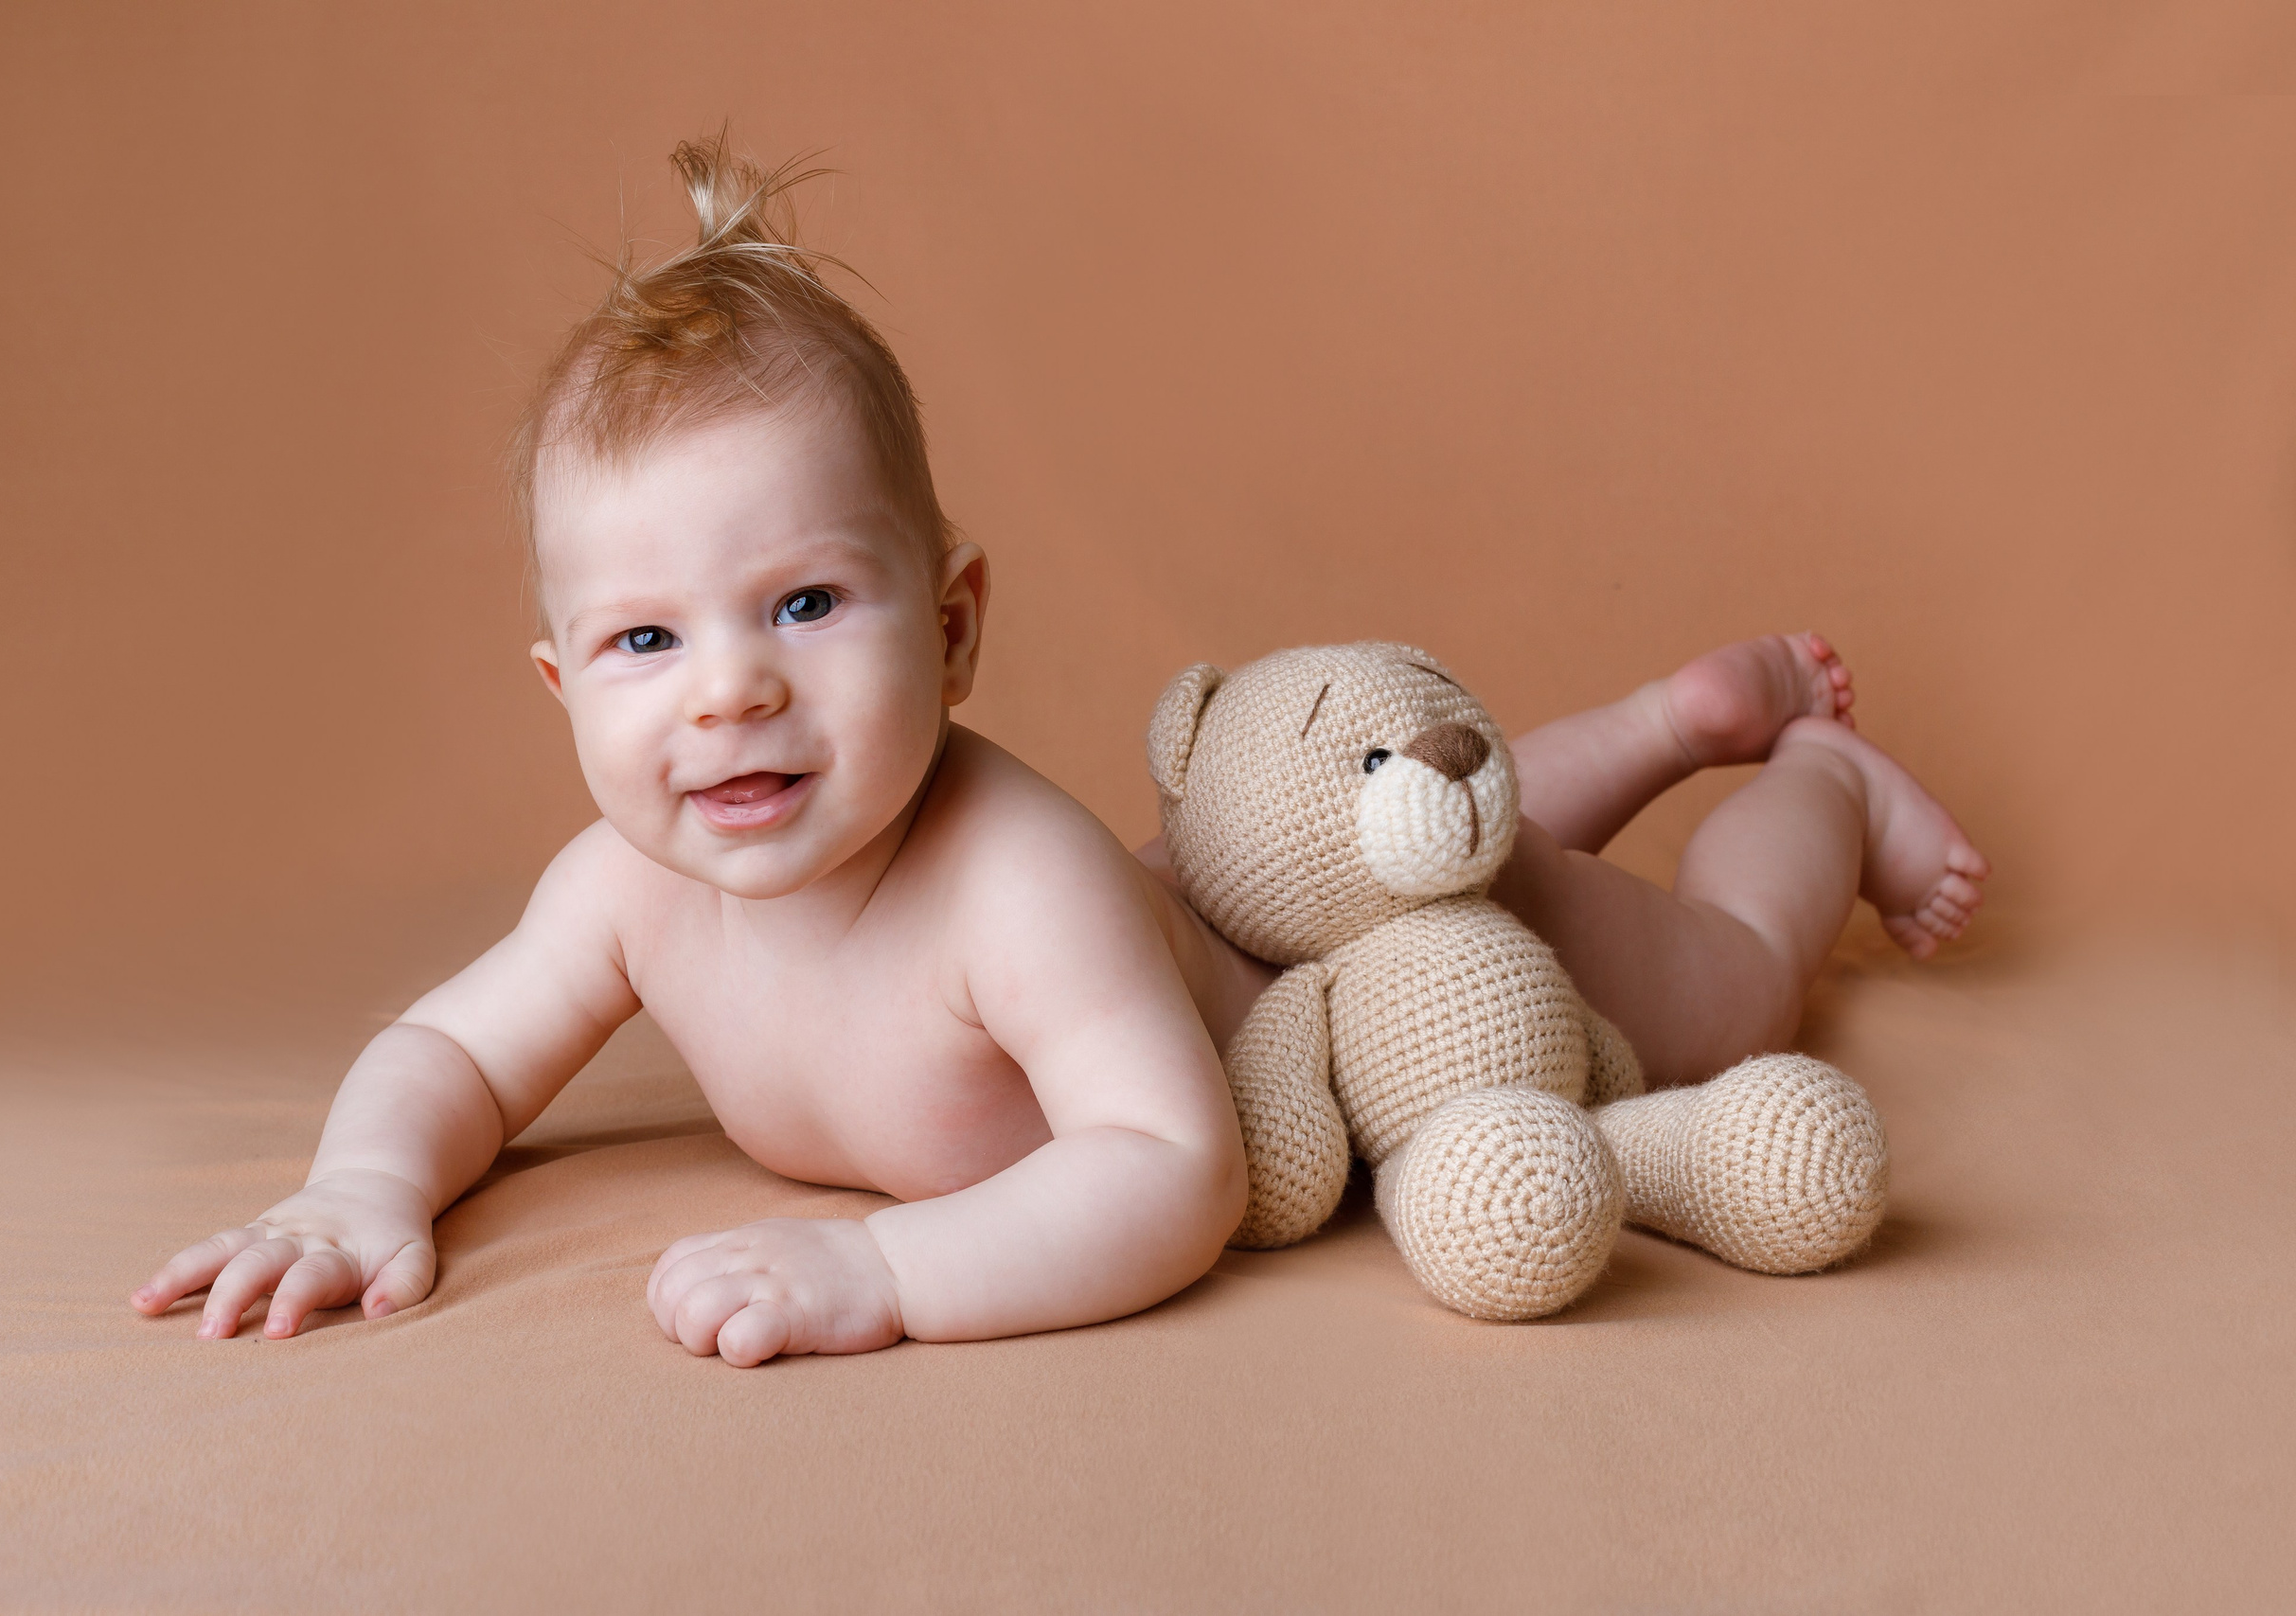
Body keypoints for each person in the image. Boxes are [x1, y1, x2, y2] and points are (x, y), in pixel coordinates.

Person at [131, 135, 1985, 1365]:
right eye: (643, 640)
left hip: (1332, 998)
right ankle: (1660, 722)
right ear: (564, 693)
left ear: (949, 632)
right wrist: (362, 1179)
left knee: (1711, 988)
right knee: (1445, 832)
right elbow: (452, 1042)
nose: (726, 694)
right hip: (1210, 910)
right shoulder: (621, 889)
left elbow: (1170, 1165)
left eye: (800, 605)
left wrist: (887, 1274)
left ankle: (1806, 779)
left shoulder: (1003, 873)